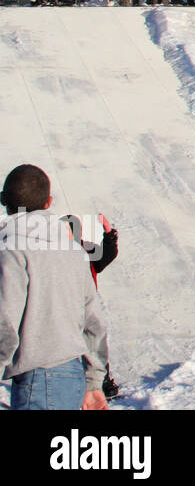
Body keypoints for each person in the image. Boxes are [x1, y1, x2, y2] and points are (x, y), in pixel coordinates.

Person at [0, 164, 110, 410]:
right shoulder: (73, 251)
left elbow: (4, 322)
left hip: (37, 380)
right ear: (49, 203)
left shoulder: (12, 251)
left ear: (3, 200)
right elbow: (94, 323)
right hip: (72, 378)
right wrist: (92, 382)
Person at [61, 213, 120, 399]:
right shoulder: (54, 252)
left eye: (71, 232)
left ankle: (102, 380)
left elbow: (108, 254)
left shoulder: (87, 250)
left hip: (86, 305)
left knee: (93, 343)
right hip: (64, 306)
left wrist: (109, 234)